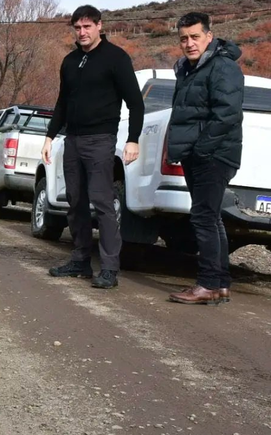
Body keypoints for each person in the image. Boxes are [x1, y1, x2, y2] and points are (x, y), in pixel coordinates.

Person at [41, 4, 144, 289]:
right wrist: (50, 137)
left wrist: (132, 139)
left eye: (87, 26)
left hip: (100, 140)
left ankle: (110, 268)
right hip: (71, 140)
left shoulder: (116, 58)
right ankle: (80, 261)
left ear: (100, 26)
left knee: (102, 202)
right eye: (77, 27)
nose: (82, 32)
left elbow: (135, 102)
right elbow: (62, 102)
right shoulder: (70, 61)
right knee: (74, 202)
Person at [166, 13, 244, 305]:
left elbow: (227, 113)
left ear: (209, 36)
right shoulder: (190, 69)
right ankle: (220, 283)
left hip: (214, 154)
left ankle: (208, 283)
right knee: (211, 218)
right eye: (184, 38)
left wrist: (200, 148)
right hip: (199, 153)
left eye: (195, 36)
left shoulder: (222, 66)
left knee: (202, 217)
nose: (189, 43)